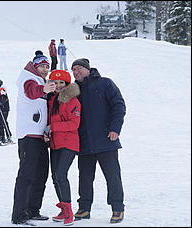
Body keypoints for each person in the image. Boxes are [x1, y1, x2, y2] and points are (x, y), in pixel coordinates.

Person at [71, 58, 126, 223]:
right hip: (84, 142)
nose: (76, 71)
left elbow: (119, 105)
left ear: (88, 69)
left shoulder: (104, 83)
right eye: (73, 69)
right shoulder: (74, 90)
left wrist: (115, 129)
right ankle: (84, 208)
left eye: (79, 68)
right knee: (85, 177)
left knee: (112, 176)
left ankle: (117, 208)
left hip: (106, 139)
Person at [11, 50, 56, 225]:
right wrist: (43, 89)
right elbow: (31, 91)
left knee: (40, 175)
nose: (45, 69)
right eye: (42, 66)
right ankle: (19, 215)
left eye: (47, 67)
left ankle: (32, 210)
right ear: (35, 66)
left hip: (39, 137)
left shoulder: (40, 79)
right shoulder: (28, 78)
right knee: (27, 175)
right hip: (29, 136)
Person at [45, 70, 81, 226]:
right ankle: (63, 207)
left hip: (69, 143)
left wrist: (52, 126)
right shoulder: (52, 100)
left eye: (62, 83)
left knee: (61, 174)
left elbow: (74, 124)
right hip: (54, 143)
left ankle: (68, 210)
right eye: (55, 82)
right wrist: (46, 132)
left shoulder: (72, 101)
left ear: (67, 84)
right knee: (55, 176)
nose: (58, 86)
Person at [0, 79, 13, 145]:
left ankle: (9, 137)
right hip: (2, 109)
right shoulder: (1, 90)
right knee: (0, 122)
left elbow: (4, 98)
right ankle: (2, 137)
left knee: (3, 122)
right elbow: (1, 98)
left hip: (4, 109)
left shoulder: (2, 89)